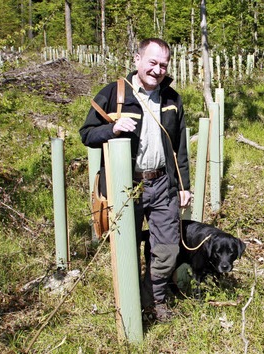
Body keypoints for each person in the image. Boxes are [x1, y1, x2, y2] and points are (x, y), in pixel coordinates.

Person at [80, 38, 191, 321]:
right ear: (137, 60)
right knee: (127, 247)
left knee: (167, 249)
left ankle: (154, 300)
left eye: (163, 65)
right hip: (126, 187)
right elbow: (87, 134)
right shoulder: (114, 93)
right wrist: (112, 129)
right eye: (152, 62)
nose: (157, 70)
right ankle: (129, 308)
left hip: (163, 184)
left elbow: (179, 147)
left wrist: (184, 186)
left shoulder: (172, 99)